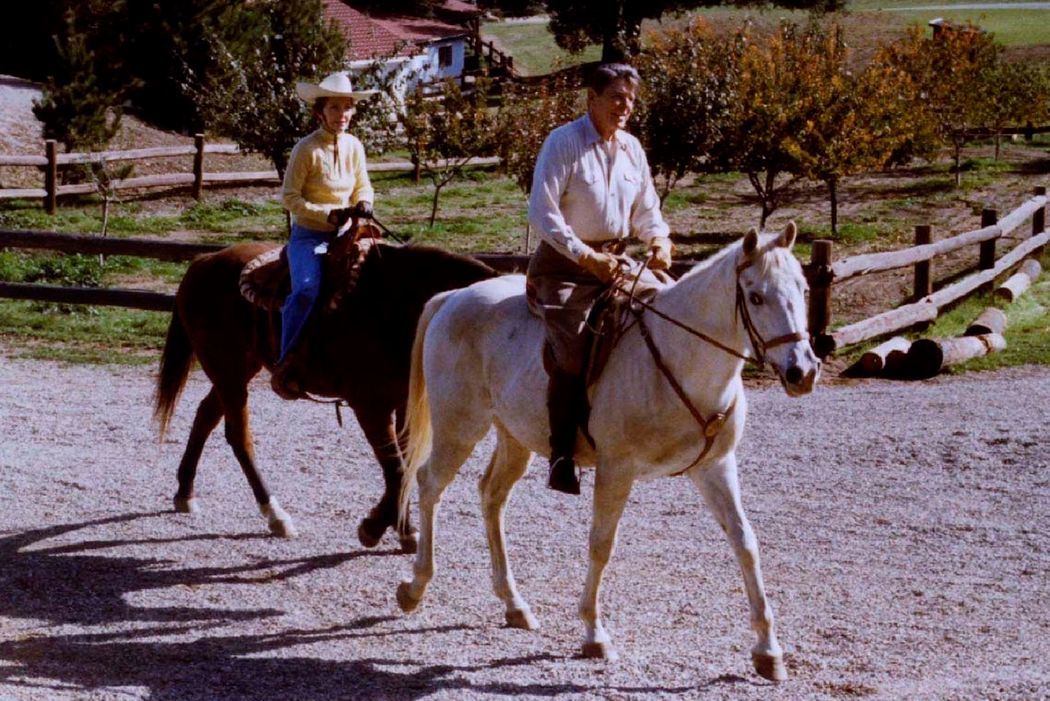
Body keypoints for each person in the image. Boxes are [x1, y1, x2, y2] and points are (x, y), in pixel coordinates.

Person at [526, 62, 673, 495]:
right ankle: (561, 455)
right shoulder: (564, 142)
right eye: (615, 98)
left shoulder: (632, 149)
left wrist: (659, 240)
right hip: (564, 267)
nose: (624, 107)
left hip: (615, 263)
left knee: (664, 315)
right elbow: (543, 212)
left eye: (630, 100)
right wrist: (584, 256)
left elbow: (647, 209)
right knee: (572, 348)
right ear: (591, 99)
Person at [272, 72, 376, 400]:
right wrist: (325, 213)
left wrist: (365, 201)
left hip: (349, 232)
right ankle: (286, 359)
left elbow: (363, 183)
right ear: (320, 111)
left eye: (347, 108)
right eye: (335, 108)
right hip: (310, 236)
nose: (342, 114)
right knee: (305, 290)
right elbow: (289, 197)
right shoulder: (306, 149)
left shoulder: (355, 146)